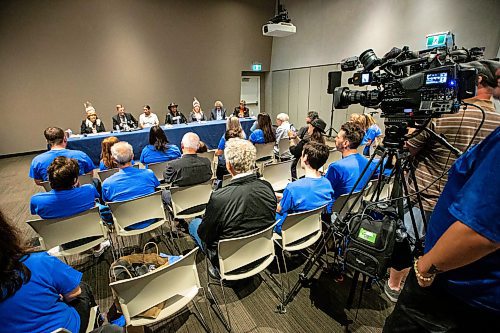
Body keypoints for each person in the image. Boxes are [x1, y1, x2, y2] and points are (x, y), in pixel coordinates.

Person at [384, 60, 500, 301]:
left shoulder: (444, 116)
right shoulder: (497, 123)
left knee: (404, 243)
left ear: (477, 80)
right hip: (457, 209)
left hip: (422, 199)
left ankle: (396, 286)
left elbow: (405, 151)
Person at [383, 127, 500, 333]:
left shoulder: (438, 121)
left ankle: (395, 281)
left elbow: (480, 231)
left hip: (457, 291)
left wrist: (424, 269)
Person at [0, 212, 122, 333]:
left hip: (62, 243)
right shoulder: (38, 262)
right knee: (82, 288)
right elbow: (74, 293)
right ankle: (98, 320)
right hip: (66, 328)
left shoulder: (38, 202)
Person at [188, 138, 277, 271]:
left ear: (229, 166)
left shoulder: (219, 197)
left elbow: (205, 234)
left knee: (194, 224)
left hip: (230, 263)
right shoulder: (267, 186)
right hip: (262, 251)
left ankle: (216, 268)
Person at [30, 156, 110, 255]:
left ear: (50, 180)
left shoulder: (37, 200)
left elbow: (35, 212)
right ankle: (97, 248)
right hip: (93, 237)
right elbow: (97, 199)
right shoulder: (89, 189)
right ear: (75, 180)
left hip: (61, 242)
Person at [275, 142, 334, 234]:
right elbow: (306, 199)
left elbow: (280, 209)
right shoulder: (327, 184)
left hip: (291, 230)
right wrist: (283, 196)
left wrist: (268, 201)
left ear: (305, 158)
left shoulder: (293, 188)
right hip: (313, 226)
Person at [102, 142, 160, 230]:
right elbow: (157, 187)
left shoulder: (107, 184)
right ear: (132, 156)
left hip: (124, 224)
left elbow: (107, 202)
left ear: (113, 160)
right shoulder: (149, 174)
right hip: (153, 217)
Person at [324, 122, 375, 201]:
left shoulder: (336, 167)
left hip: (334, 209)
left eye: (337, 137)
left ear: (345, 143)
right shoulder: (367, 162)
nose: (335, 139)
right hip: (356, 207)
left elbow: (325, 192)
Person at [29, 127, 95, 185]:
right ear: (65, 139)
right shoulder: (81, 155)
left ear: (47, 141)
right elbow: (90, 175)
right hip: (80, 192)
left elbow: (38, 182)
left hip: (53, 195)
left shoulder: (37, 160)